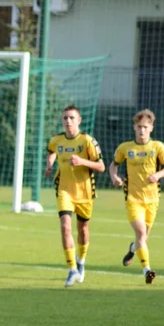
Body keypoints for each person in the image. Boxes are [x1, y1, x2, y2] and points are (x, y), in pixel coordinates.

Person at [109, 109, 164, 284]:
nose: (142, 130)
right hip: (133, 199)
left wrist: (158, 175)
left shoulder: (158, 147)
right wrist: (114, 177)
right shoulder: (125, 148)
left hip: (152, 200)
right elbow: (113, 165)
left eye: (145, 127)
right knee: (140, 232)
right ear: (134, 128)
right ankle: (147, 271)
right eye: (139, 127)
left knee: (143, 239)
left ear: (151, 128)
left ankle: (132, 248)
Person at [44, 105, 104, 287]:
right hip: (64, 190)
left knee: (83, 230)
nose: (68, 121)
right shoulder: (57, 140)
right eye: (65, 118)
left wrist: (82, 161)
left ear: (79, 120)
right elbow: (51, 151)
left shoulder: (87, 141)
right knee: (65, 227)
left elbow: (101, 166)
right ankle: (72, 270)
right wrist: (49, 165)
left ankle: (81, 261)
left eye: (71, 118)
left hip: (85, 192)